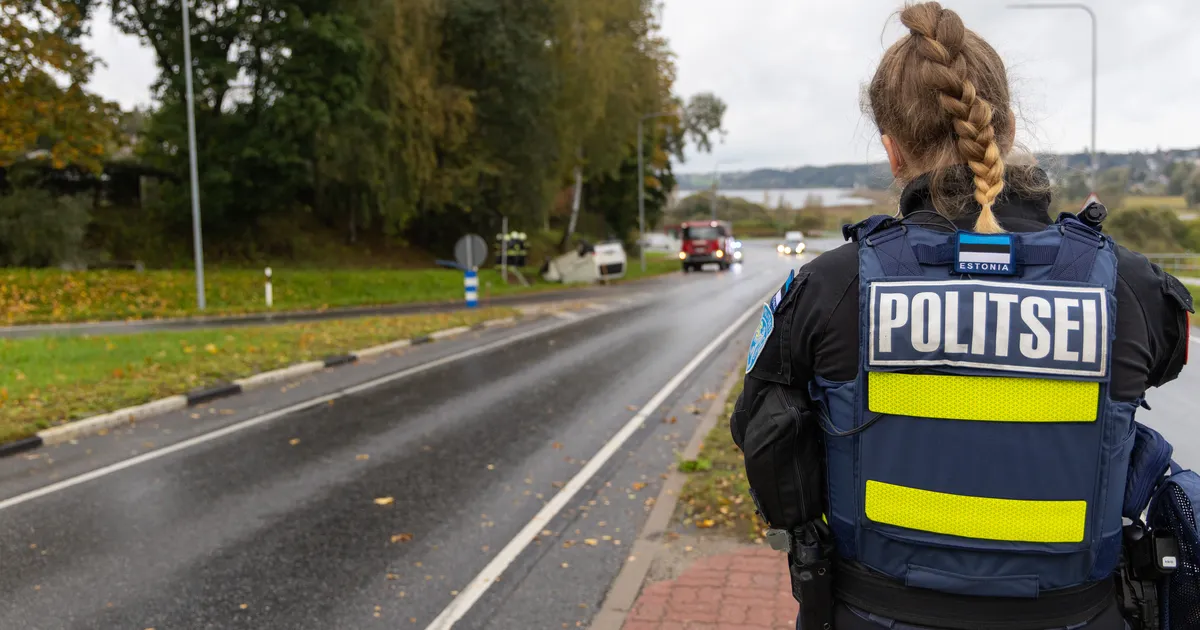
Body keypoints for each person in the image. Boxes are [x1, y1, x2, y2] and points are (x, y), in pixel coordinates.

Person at [730, 3, 1195, 630]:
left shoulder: (830, 287)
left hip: (873, 614)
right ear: (1004, 130)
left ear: (893, 152)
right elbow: (1164, 360)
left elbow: (766, 442)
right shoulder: (1130, 286)